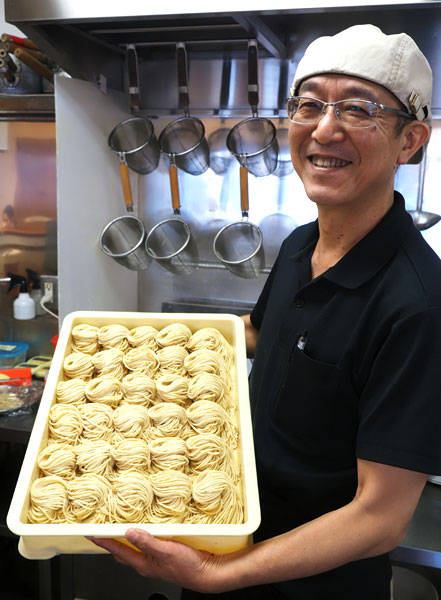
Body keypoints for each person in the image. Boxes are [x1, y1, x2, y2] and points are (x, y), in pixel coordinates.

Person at [88, 24, 441, 599]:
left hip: (312, 586)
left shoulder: (419, 306)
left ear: (410, 142)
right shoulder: (303, 242)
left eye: (359, 109)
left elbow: (380, 519)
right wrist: (128, 342)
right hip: (225, 534)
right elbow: (259, 333)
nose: (326, 128)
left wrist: (218, 575)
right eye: (309, 104)